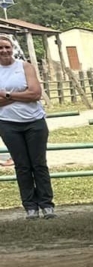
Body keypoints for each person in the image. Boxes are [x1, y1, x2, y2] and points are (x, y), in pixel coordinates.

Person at [0, 34, 54, 219]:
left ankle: (47, 204)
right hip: (8, 124)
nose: (4, 51)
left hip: (34, 122)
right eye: (0, 48)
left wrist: (6, 95)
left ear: (12, 48)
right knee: (22, 166)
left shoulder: (25, 66)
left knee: (39, 164)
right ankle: (30, 206)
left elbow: (35, 94)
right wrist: (20, 93)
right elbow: (28, 93)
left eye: (7, 47)